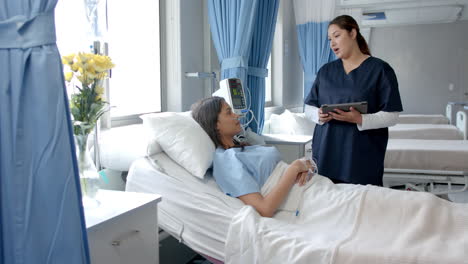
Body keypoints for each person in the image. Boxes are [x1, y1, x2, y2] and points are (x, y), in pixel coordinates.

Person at [304, 15, 403, 186]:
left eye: (337, 36)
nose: (332, 43)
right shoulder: (326, 71)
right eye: (329, 39)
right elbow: (308, 108)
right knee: (326, 201)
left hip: (361, 154)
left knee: (362, 204)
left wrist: (360, 119)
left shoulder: (380, 69)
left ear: (352, 33)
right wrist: (318, 115)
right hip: (327, 150)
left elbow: (392, 115)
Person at [191, 96, 313, 218]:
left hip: (307, 187)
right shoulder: (225, 160)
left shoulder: (241, 148)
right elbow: (264, 209)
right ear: (215, 124)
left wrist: (302, 165)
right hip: (303, 200)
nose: (236, 115)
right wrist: (294, 169)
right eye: (229, 113)